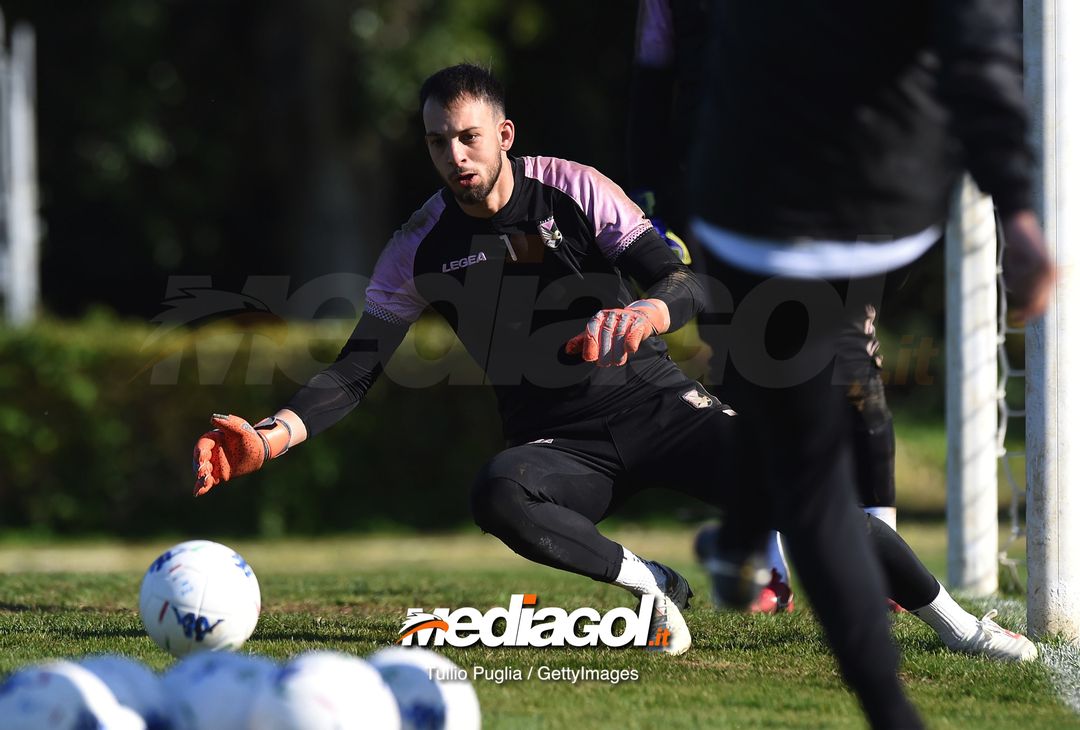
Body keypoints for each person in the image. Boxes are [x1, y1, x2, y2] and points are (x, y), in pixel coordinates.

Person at [192, 62, 737, 656]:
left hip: (659, 404)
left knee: (802, 479)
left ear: (504, 135)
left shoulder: (573, 186)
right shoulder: (418, 245)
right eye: (437, 141)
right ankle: (652, 585)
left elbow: (686, 281)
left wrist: (647, 314)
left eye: (467, 137)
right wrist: (269, 439)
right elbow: (354, 371)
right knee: (499, 494)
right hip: (563, 444)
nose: (455, 156)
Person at [686, 2, 1055, 728]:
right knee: (788, 416)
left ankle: (886, 706)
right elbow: (976, 57)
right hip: (876, 217)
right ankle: (743, 532)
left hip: (761, 211)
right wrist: (1017, 210)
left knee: (809, 475)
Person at [629, 0, 904, 615]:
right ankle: (769, 567)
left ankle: (884, 566)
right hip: (715, 191)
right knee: (744, 370)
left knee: (850, 360)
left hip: (822, 182)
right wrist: (649, 191)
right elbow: (652, 81)